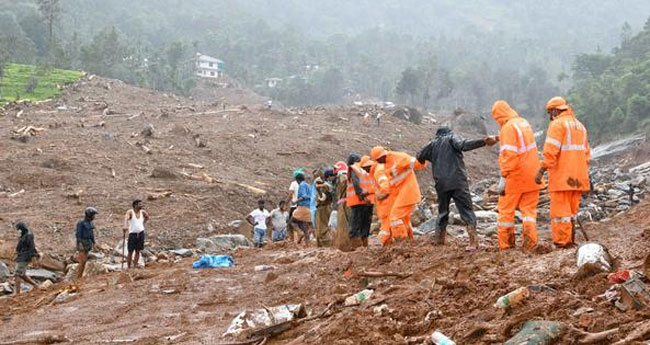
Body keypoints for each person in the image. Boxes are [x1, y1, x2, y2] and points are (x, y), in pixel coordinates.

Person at [416, 128, 497, 250]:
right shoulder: (451, 138)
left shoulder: (432, 144)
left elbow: (419, 156)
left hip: (441, 183)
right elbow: (464, 145)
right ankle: (473, 242)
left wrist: (432, 158)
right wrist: (483, 141)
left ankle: (439, 239)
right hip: (457, 181)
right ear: (449, 132)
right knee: (466, 210)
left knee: (443, 211)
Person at [535, 96, 590, 248]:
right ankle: (570, 240)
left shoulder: (557, 125)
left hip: (563, 177)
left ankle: (562, 242)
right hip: (578, 177)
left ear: (554, 111)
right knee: (571, 211)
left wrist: (541, 170)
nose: (549, 117)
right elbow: (586, 154)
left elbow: (551, 151)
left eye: (549, 113)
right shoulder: (580, 126)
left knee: (560, 213)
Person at [491, 100, 542, 252]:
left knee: (506, 211)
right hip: (533, 175)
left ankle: (506, 246)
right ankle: (531, 244)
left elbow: (509, 154)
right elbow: (521, 143)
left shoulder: (507, 128)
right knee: (529, 213)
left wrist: (504, 176)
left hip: (516, 176)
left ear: (499, 116)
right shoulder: (523, 123)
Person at [372, 147, 425, 244]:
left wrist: (423, 157)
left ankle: (402, 243)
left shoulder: (399, 158)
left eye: (379, 159)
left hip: (409, 193)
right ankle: (408, 240)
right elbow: (392, 186)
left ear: (382, 156)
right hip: (403, 195)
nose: (378, 162)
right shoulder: (386, 166)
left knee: (395, 218)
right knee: (403, 219)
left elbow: (417, 164)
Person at [347, 154, 374, 248]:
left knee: (355, 225)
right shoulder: (366, 169)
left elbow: (355, 182)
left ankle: (356, 247)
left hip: (358, 201)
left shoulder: (354, 168)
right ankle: (365, 245)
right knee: (365, 225)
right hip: (369, 201)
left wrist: (360, 195)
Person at [371, 160, 395, 246]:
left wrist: (381, 195)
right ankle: (390, 243)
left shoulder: (378, 171)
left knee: (386, 227)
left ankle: (386, 243)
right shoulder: (382, 168)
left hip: (386, 204)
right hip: (388, 203)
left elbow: (385, 187)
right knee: (390, 225)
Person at [13, 222, 39, 295]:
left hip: (26, 256)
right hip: (21, 256)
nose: (17, 231)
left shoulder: (29, 236)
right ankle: (35, 285)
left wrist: (33, 258)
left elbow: (32, 247)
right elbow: (19, 248)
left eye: (18, 229)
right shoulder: (22, 236)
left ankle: (17, 293)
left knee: (17, 274)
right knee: (22, 274)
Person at [122, 199, 149, 268]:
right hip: (132, 234)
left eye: (141, 204)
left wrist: (143, 223)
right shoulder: (130, 212)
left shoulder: (142, 212)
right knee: (130, 251)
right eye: (140, 204)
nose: (141, 205)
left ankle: (135, 266)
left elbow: (147, 217)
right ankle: (129, 267)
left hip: (140, 234)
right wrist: (125, 226)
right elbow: (126, 218)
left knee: (138, 251)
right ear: (135, 205)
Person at [332, 161, 352, 251]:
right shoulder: (345, 177)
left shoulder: (342, 177)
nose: (334, 171)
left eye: (336, 168)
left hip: (344, 204)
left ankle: (345, 246)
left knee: (343, 225)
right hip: (345, 203)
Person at [314, 168, 335, 247]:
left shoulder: (324, 186)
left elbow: (322, 198)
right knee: (323, 227)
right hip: (327, 207)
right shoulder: (329, 185)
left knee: (321, 229)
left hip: (323, 208)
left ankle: (326, 245)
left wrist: (318, 190)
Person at [76, 207, 98, 281]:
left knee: (84, 261)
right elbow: (78, 235)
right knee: (82, 262)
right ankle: (78, 278)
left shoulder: (90, 223)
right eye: (93, 215)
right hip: (83, 243)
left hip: (88, 243)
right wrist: (80, 244)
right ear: (89, 215)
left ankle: (80, 277)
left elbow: (91, 234)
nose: (94, 217)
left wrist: (94, 243)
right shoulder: (81, 223)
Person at [292, 172, 313, 244]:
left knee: (291, 221)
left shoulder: (301, 185)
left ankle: (299, 232)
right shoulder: (309, 185)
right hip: (309, 207)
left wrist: (295, 201)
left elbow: (303, 196)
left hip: (303, 206)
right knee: (305, 225)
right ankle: (307, 242)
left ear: (297, 180)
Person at [286, 168, 305, 242]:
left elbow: (290, 195)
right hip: (303, 206)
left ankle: (297, 235)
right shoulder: (305, 184)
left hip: (295, 205)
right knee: (300, 223)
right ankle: (297, 238)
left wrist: (286, 204)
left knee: (290, 222)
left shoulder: (293, 183)